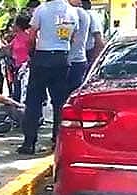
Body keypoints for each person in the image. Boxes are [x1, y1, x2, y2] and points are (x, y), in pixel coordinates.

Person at [18, 0, 80, 155]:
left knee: (34, 101)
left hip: (42, 57)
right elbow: (73, 38)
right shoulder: (72, 12)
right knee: (59, 103)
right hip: (62, 59)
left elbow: (32, 36)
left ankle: (29, 143)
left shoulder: (42, 10)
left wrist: (33, 52)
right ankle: (57, 141)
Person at [66, 0, 91, 93]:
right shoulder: (84, 13)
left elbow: (66, 37)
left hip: (71, 59)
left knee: (64, 95)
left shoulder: (74, 12)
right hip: (79, 58)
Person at [8, 15, 32, 101]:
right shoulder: (17, 37)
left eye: (14, 23)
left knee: (22, 92)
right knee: (17, 92)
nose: (12, 25)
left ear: (18, 26)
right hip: (17, 68)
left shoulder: (28, 37)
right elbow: (9, 47)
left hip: (25, 68)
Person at [83, 0, 105, 67]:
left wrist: (94, 59)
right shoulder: (93, 14)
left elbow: (98, 39)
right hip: (89, 51)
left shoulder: (89, 15)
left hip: (90, 51)